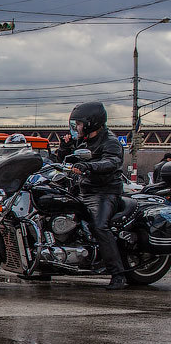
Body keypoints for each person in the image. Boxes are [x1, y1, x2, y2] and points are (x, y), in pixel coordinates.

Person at [54, 101, 127, 289]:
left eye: (78, 124)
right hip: (82, 189)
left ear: (91, 123)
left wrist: (89, 166)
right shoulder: (82, 140)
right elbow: (64, 159)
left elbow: (112, 162)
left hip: (104, 191)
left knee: (100, 226)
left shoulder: (110, 141)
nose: (76, 128)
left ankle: (118, 274)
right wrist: (64, 148)